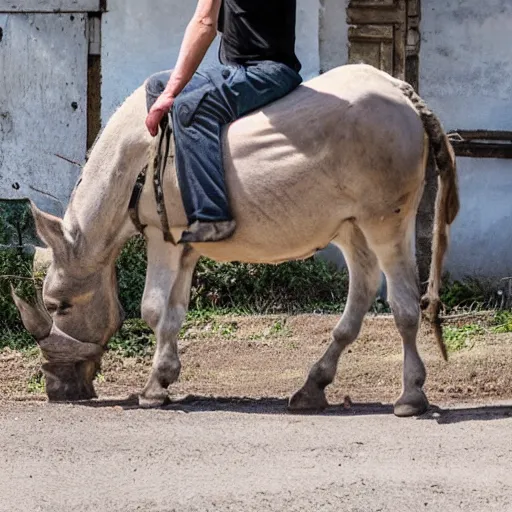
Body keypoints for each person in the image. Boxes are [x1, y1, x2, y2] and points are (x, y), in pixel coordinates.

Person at [145, 0, 303, 243]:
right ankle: (178, 192)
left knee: (190, 108)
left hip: (265, 72)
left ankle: (211, 216)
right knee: (157, 85)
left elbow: (204, 23)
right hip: (238, 69)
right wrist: (167, 90)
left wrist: (171, 94)